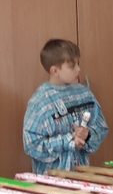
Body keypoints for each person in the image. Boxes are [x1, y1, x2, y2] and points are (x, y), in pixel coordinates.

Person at [23, 39, 108, 173]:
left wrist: (88, 135)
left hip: (82, 176)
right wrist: (68, 141)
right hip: (51, 180)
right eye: (72, 66)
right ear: (55, 71)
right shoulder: (39, 102)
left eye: (78, 64)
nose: (78, 69)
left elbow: (101, 127)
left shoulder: (84, 94)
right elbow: (31, 145)